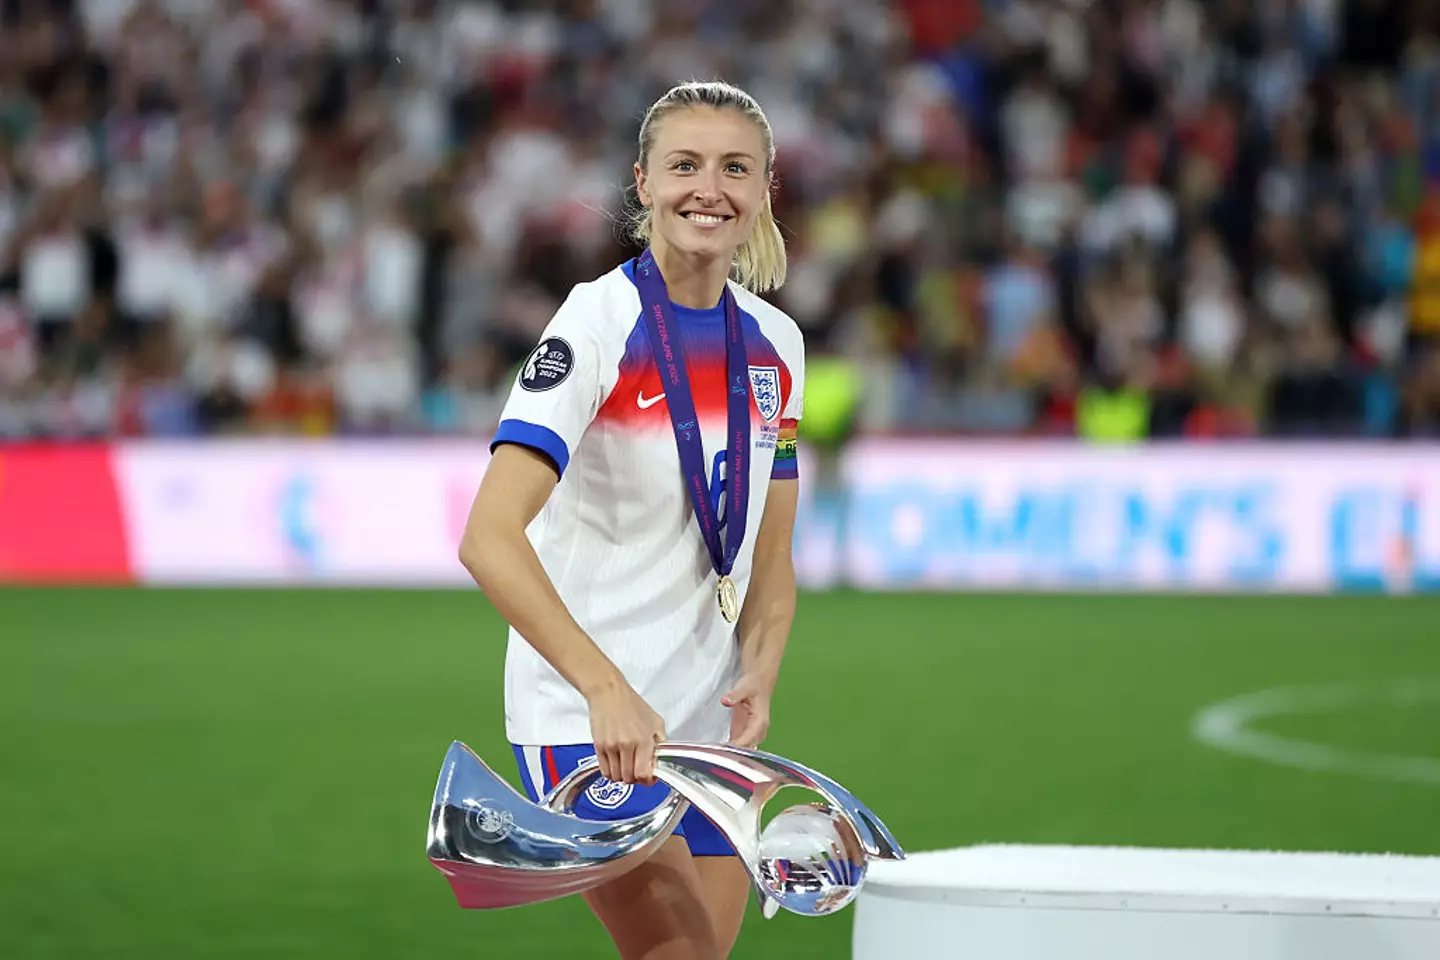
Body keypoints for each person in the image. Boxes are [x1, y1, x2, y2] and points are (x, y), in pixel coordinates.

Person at [458, 80, 805, 960]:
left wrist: (760, 667)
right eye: (684, 165)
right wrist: (601, 687)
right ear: (643, 182)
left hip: (704, 725)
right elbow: (488, 537)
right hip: (592, 724)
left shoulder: (777, 346)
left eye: (735, 168)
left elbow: (771, 552)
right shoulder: (598, 321)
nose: (709, 188)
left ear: (765, 190)